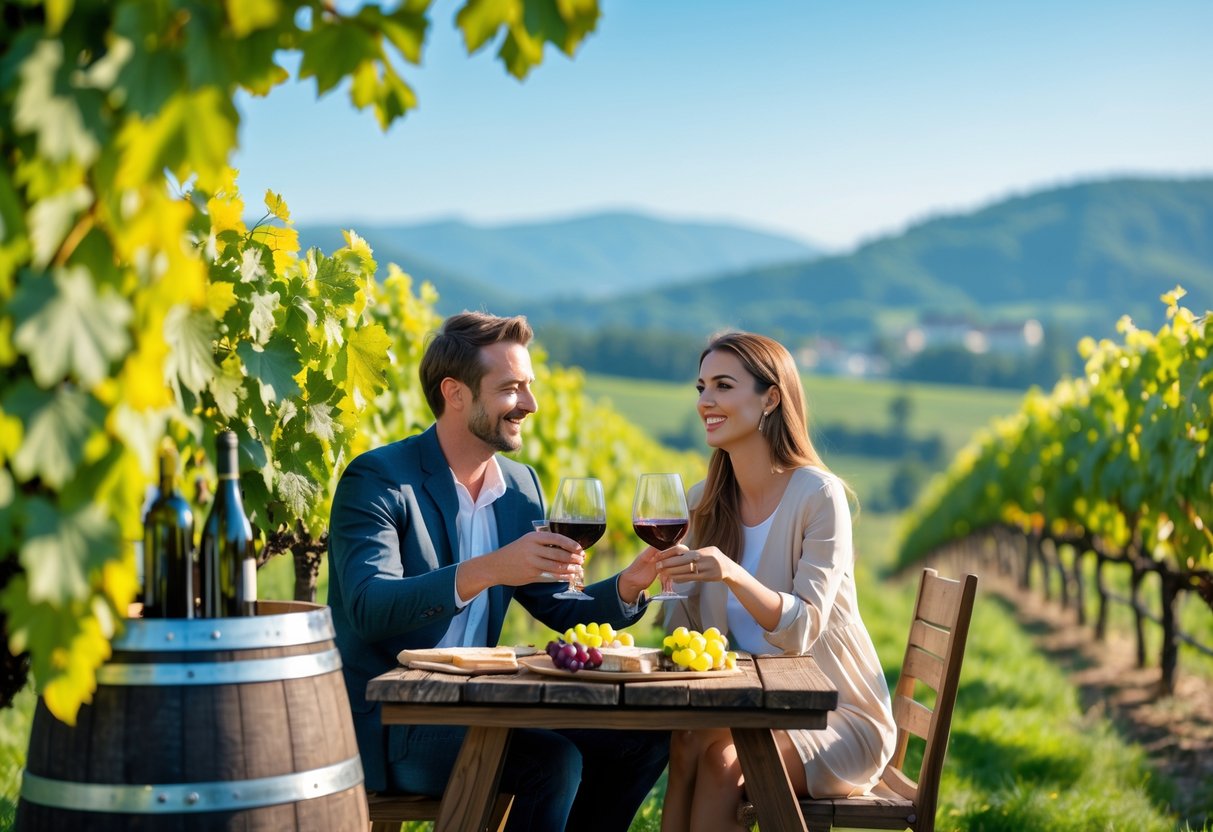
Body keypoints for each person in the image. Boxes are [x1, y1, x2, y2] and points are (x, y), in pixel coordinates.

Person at [327, 311, 668, 831]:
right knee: (550, 763)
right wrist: (488, 569)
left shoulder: (519, 485)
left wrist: (628, 585)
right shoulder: (379, 479)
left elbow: (557, 603)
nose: (529, 404)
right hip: (393, 721)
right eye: (511, 388)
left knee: (638, 741)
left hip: (482, 706)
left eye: (528, 386)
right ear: (455, 393)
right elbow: (370, 608)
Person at [651, 331, 896, 832]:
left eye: (722, 385)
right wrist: (667, 584)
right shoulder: (704, 501)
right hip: (751, 705)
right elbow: (684, 631)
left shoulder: (818, 496)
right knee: (686, 741)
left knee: (724, 764)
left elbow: (803, 627)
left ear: (771, 397)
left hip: (835, 716)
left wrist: (732, 574)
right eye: (701, 387)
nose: (706, 401)